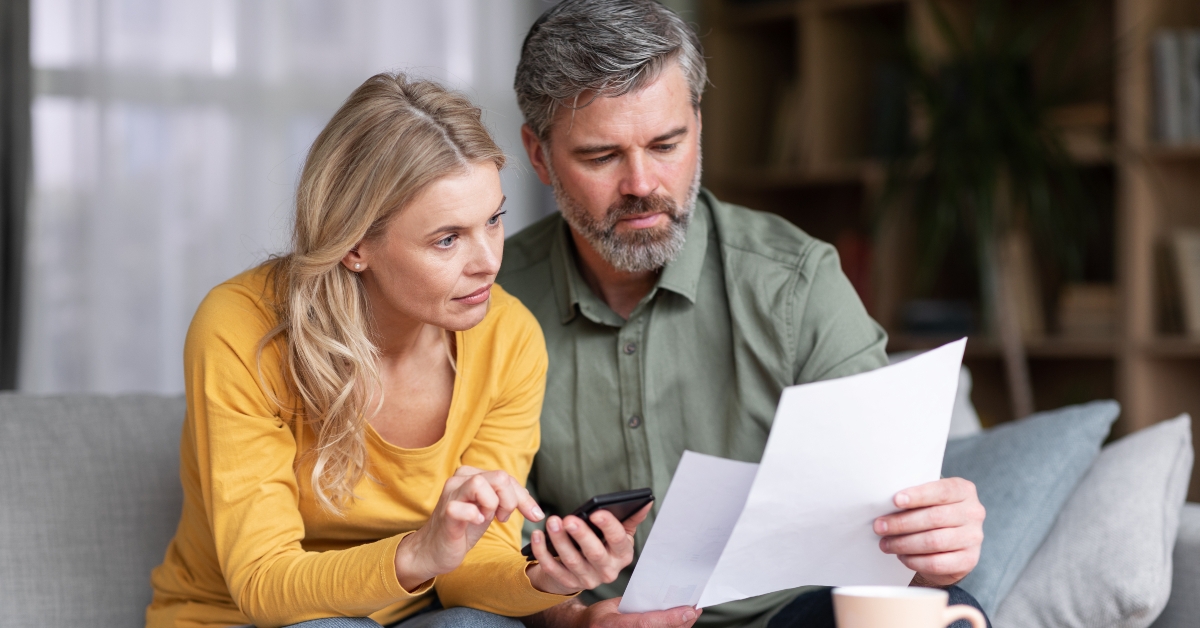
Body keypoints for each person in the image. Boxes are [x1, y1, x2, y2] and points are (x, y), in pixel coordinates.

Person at [497, 2, 988, 628]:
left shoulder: (797, 282)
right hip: (587, 621)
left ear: (698, 124)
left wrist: (935, 549)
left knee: (949, 610)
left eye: (667, 144)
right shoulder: (488, 301)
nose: (642, 184)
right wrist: (572, 620)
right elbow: (481, 546)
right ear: (539, 156)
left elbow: (886, 524)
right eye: (600, 156)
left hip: (788, 619)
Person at [146, 73, 646, 628]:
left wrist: (547, 579)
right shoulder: (241, 328)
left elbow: (470, 566)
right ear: (355, 244)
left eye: (494, 220)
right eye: (447, 239)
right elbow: (263, 584)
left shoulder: (509, 336)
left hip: (408, 612)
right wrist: (419, 552)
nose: (488, 262)